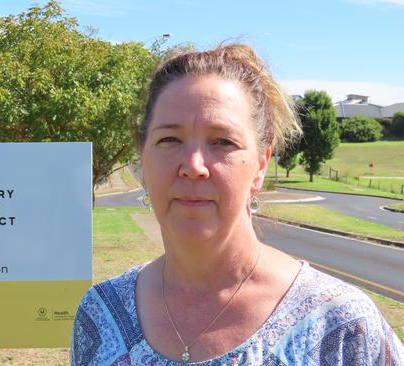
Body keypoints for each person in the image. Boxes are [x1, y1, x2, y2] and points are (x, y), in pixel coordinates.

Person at [71, 43, 403, 365]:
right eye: (169, 139)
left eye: (223, 141)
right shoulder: (100, 316)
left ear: (261, 165)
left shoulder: (342, 326)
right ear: (143, 158)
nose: (193, 165)